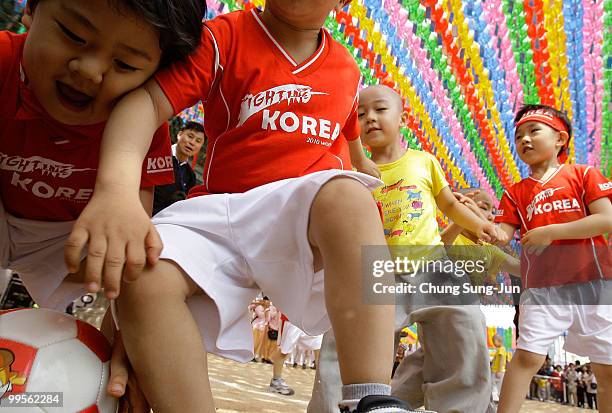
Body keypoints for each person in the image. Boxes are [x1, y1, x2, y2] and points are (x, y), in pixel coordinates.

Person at [73, 2, 420, 412]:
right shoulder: (223, 36)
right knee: (143, 270)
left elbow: (347, 133)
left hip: (297, 210)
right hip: (221, 207)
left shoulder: (346, 68)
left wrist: (363, 168)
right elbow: (147, 102)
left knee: (350, 196)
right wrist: (116, 190)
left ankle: (371, 399)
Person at [0, 0, 206, 408]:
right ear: (31, 10)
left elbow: (130, 257)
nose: (89, 70)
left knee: (152, 269)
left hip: (71, 241)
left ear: (155, 74)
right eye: (74, 35)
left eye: (126, 64)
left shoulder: (142, 123)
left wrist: (128, 343)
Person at [309, 84, 506, 413]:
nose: (369, 118)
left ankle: (462, 407)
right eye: (359, 115)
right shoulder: (348, 171)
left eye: (380, 109)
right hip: (376, 271)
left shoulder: (423, 161)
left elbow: (450, 205)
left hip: (434, 267)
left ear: (404, 117)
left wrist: (479, 224)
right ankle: (333, 407)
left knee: (465, 330)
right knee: (344, 342)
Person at [495, 104, 612, 413]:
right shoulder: (515, 192)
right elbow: (501, 235)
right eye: (518, 135)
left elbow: (606, 219)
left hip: (595, 284)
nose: (525, 140)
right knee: (528, 357)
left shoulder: (584, 174)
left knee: (607, 367)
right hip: (542, 289)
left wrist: (552, 232)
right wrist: (466, 218)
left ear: (560, 139)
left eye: (534, 131)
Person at [152, 120, 205, 215]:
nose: (192, 143)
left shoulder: (191, 175)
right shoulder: (159, 155)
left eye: (198, 141)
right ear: (179, 134)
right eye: (190, 136)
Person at [490, 335, 508, 403]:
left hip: (497, 370)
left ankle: (495, 398)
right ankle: (496, 397)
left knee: (493, 384)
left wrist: (499, 370)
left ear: (498, 341)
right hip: (496, 370)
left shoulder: (501, 349)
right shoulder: (500, 349)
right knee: (495, 384)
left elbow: (501, 360)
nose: (493, 344)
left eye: (493, 342)